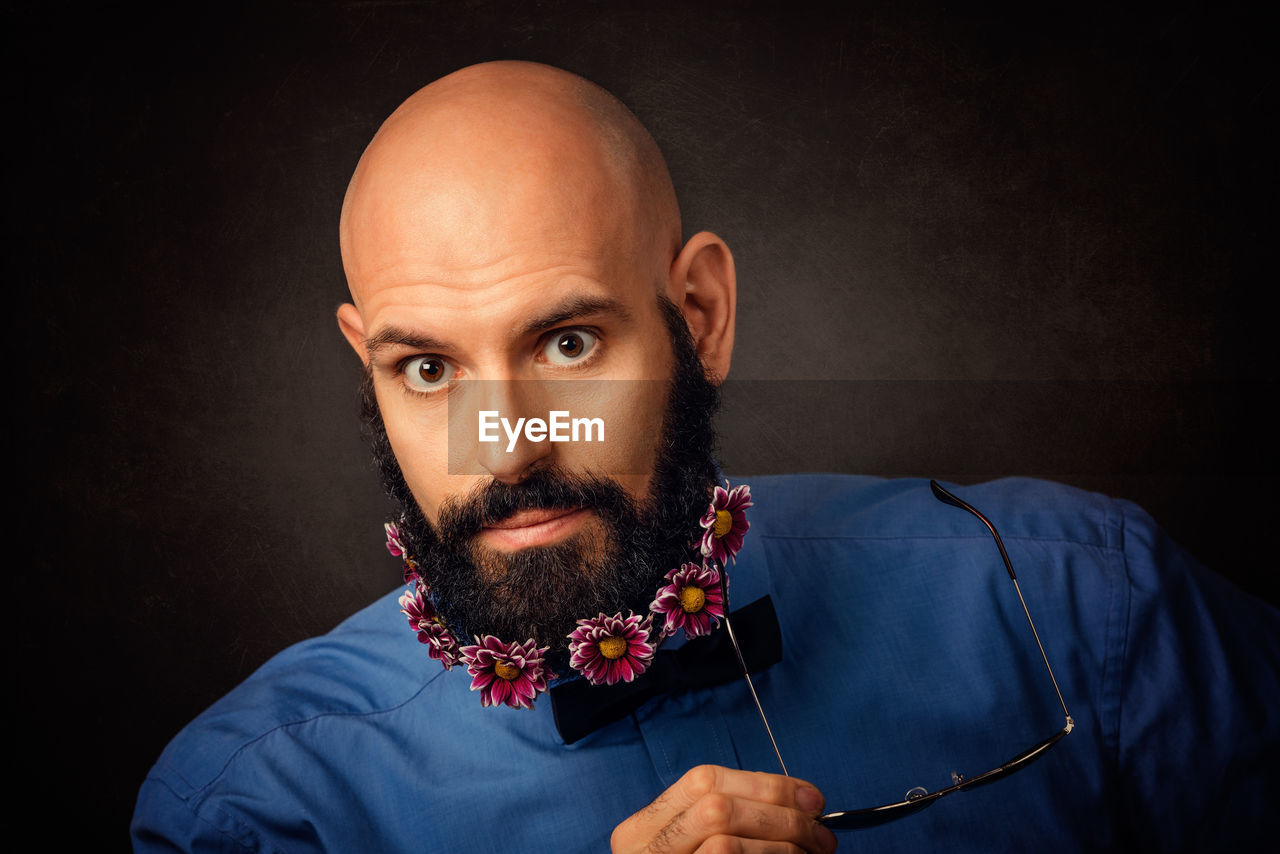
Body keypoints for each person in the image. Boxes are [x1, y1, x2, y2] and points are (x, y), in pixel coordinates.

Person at [132, 61, 1279, 853]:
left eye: (568, 341)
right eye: (427, 369)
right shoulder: (258, 805)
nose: (509, 438)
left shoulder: (1084, 606)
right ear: (367, 368)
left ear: (699, 313)